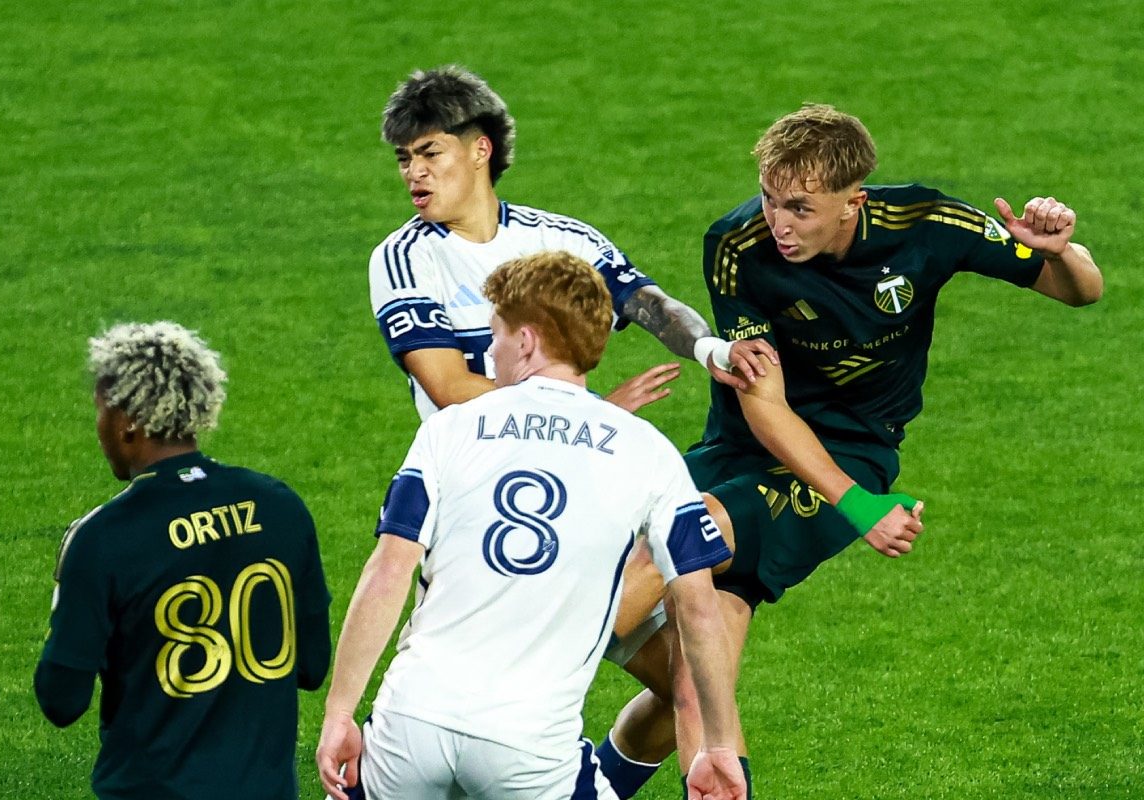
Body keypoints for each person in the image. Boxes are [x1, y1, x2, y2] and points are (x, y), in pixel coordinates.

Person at [595, 103, 1105, 798]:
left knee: (678, 535)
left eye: (801, 208)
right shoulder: (736, 245)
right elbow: (764, 406)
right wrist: (862, 511)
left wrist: (1060, 253)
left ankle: (498, 675)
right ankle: (583, 787)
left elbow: (1082, 293)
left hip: (852, 456)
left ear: (852, 202)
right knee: (692, 676)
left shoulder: (927, 225)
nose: (780, 222)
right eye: (772, 200)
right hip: (741, 446)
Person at [317, 252, 748, 800]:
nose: (489, 351)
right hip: (530, 747)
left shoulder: (450, 429)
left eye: (493, 333)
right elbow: (697, 605)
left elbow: (388, 571)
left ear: (525, 341)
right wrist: (715, 744)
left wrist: (340, 713)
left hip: (413, 722)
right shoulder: (649, 452)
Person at [369, 64, 776, 421]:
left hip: (567, 457)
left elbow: (652, 304)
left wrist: (711, 350)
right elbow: (448, 387)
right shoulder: (404, 257)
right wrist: (593, 412)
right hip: (470, 466)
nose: (413, 172)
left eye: (430, 154)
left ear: (480, 150)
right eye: (404, 159)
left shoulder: (562, 239)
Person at [34, 321, 332, 800]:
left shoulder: (101, 537)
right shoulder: (280, 506)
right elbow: (312, 667)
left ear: (127, 419)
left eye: (100, 410)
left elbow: (60, 700)